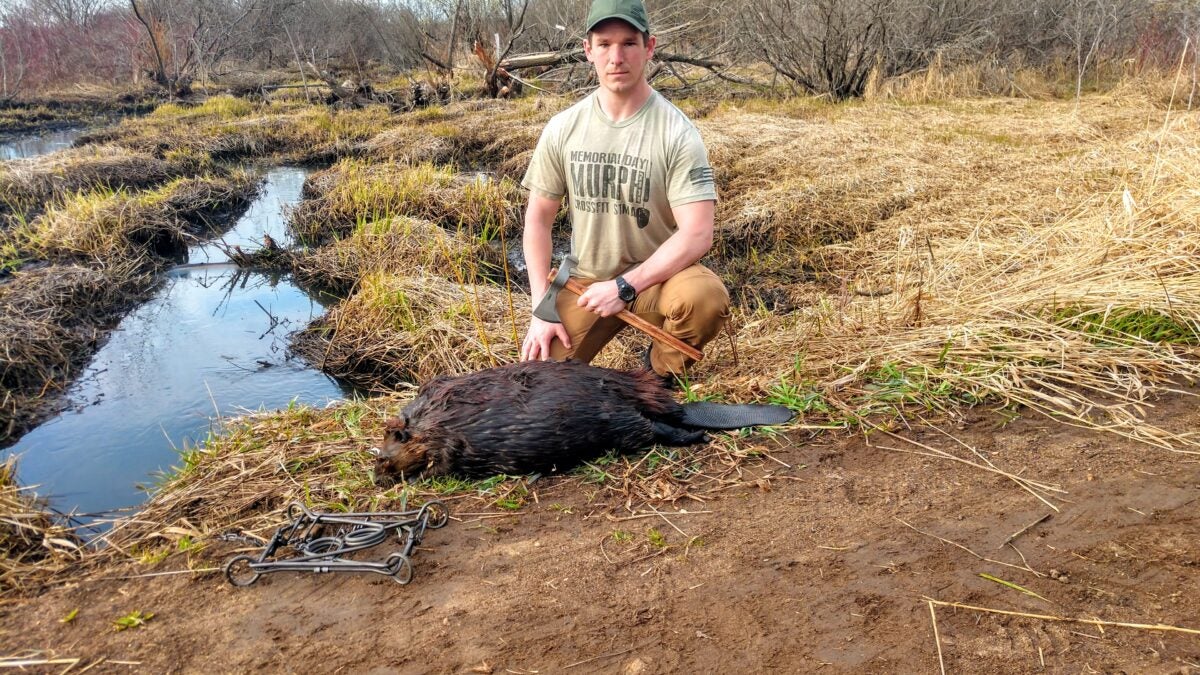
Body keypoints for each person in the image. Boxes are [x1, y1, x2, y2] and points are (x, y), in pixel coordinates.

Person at [519, 0, 730, 382]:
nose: (617, 57)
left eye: (629, 43)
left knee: (705, 300)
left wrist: (626, 285)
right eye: (604, 44)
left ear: (649, 47)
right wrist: (541, 309)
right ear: (588, 50)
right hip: (585, 284)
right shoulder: (563, 128)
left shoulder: (676, 132)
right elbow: (537, 220)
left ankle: (657, 375)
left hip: (658, 279)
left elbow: (698, 232)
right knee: (537, 379)